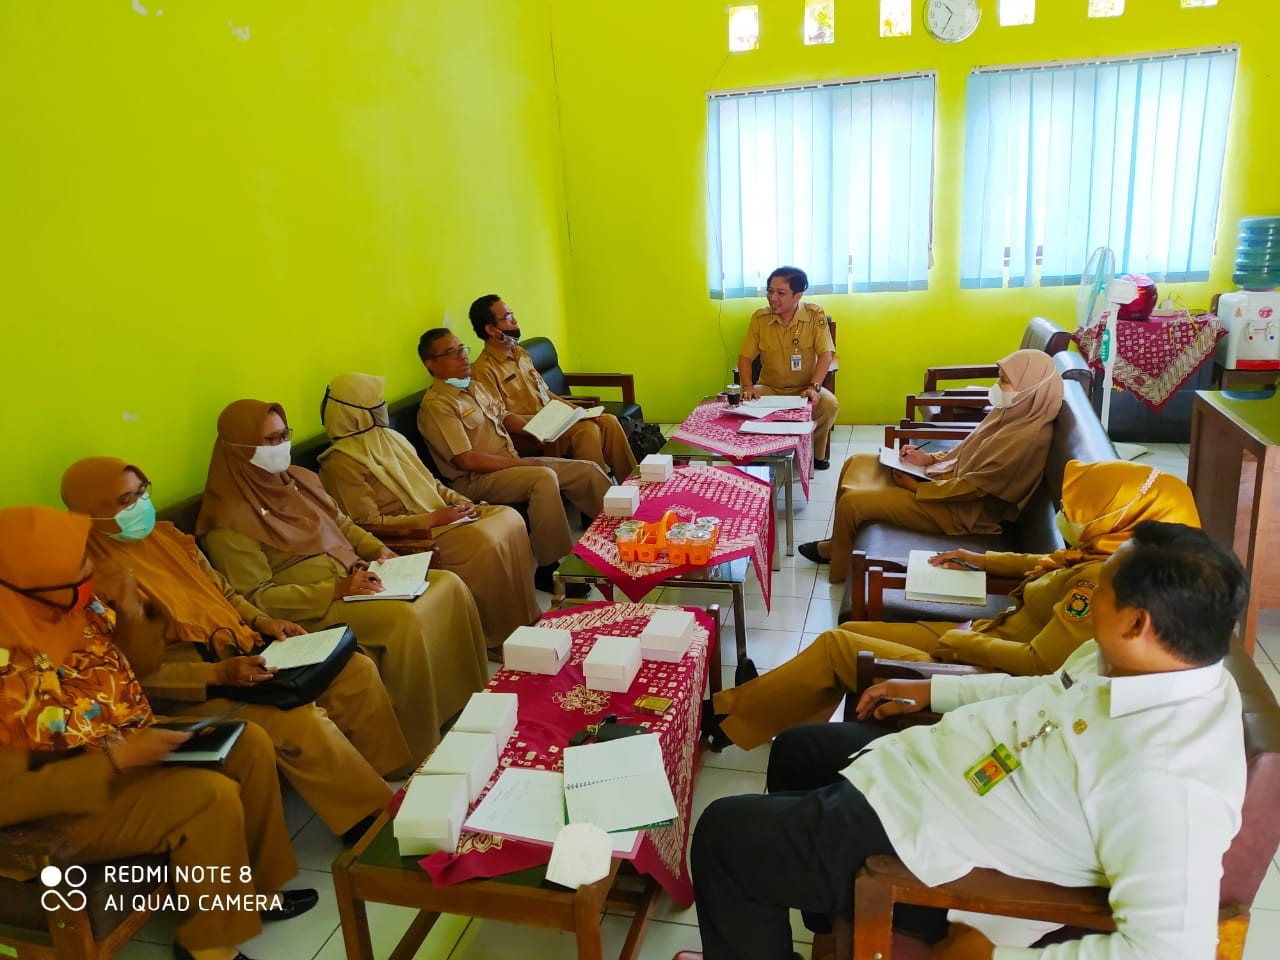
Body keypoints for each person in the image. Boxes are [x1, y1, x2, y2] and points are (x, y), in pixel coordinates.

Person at [682, 520, 1248, 960]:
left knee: (723, 837)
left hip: (941, 844)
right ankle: (827, 921)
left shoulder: (1173, 778)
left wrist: (995, 954)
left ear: (1137, 624)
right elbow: (1043, 690)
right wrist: (936, 694)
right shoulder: (1138, 662)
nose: (1086, 598)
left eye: (1101, 589)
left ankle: (822, 894)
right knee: (798, 749)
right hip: (956, 775)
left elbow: (1170, 948)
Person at [0, 506, 317, 960]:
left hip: (123, 741)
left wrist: (130, 607)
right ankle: (208, 948)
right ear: (32, 575)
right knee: (207, 796)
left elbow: (143, 668)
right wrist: (117, 759)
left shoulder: (70, 606)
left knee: (247, 743)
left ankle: (254, 892)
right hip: (59, 800)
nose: (93, 567)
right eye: (77, 563)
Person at [707, 460, 1200, 751]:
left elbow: (1040, 664)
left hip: (983, 661)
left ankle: (726, 720)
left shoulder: (1104, 579)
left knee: (840, 645)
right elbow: (1047, 560)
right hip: (985, 635)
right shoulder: (1102, 553)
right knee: (839, 643)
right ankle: (755, 710)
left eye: (1082, 512)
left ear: (1127, 514)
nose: (1068, 519)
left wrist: (964, 641)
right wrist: (977, 559)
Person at [60, 456, 412, 840]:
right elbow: (126, 675)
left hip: (240, 651)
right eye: (126, 501)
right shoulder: (84, 581)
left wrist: (263, 622)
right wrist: (216, 673)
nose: (140, 506)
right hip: (188, 688)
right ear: (89, 513)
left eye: (143, 493)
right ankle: (369, 825)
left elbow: (223, 591)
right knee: (297, 720)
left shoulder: (166, 539)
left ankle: (390, 777)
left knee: (352, 670)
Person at [196, 399, 487, 762]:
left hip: (360, 577)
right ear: (240, 450)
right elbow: (258, 597)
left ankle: (465, 704)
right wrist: (337, 589)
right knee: (406, 619)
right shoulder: (228, 519)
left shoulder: (299, 481)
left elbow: (344, 525)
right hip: (316, 608)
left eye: (284, 435)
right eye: (271, 440)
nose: (282, 446)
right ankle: (418, 739)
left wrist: (382, 552)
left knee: (448, 586)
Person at [316, 372, 541, 652]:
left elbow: (431, 483)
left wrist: (459, 500)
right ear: (355, 412)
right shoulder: (340, 462)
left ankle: (525, 619)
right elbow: (366, 523)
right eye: (375, 404)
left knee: (509, 518)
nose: (382, 408)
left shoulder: (391, 439)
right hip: (413, 532)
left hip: (443, 514)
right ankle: (496, 635)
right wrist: (433, 519)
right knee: (484, 541)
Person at [801, 348, 1064, 584]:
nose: (998, 386)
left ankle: (840, 565)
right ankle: (838, 545)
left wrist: (917, 488)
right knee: (856, 462)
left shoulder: (1027, 437)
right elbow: (966, 450)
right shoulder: (1013, 413)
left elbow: (975, 489)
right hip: (947, 485)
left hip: (962, 512)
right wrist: (928, 459)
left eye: (1005, 381)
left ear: (1030, 388)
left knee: (855, 502)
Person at [416, 327, 610, 593]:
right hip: (476, 480)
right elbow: (467, 460)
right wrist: (523, 463)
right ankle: (550, 567)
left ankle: (619, 530)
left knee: (585, 471)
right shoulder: (437, 405)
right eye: (452, 353)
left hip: (509, 463)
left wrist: (545, 427)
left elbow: (506, 417)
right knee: (542, 477)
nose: (462, 356)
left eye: (462, 349)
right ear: (430, 364)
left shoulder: (475, 387)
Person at [468, 294, 638, 480]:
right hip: (530, 435)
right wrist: (549, 424)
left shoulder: (520, 354)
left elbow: (546, 393)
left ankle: (633, 484)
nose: (515, 320)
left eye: (512, 314)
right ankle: (602, 497)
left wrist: (579, 412)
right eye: (508, 317)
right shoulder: (483, 370)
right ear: (491, 329)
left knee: (607, 421)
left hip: (555, 422)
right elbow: (499, 419)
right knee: (586, 430)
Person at [737, 266, 839, 469]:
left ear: (798, 295)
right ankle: (762, 453)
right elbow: (745, 357)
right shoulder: (760, 319)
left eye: (780, 293)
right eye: (770, 291)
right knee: (742, 405)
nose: (772, 297)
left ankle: (814, 455)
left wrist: (815, 386)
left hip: (804, 389)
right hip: (769, 389)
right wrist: (748, 387)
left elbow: (826, 354)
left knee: (829, 405)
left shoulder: (813, 314)